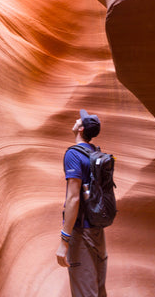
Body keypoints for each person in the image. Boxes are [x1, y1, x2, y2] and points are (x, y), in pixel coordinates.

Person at [56, 109, 108, 297]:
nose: (76, 119)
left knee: (84, 292)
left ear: (81, 128)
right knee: (98, 289)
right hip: (98, 230)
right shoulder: (96, 153)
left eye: (79, 119)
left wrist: (65, 240)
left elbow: (73, 198)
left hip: (81, 232)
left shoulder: (73, 154)